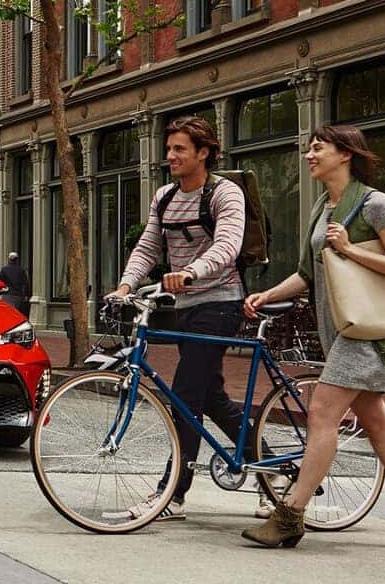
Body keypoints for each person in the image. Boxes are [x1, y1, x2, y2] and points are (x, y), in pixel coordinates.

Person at [241, 124, 385, 548]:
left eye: (318, 147)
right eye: (308, 148)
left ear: (345, 154)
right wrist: (266, 294)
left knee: (322, 411)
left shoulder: (375, 205)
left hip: (371, 334)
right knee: (377, 423)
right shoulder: (323, 208)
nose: (309, 154)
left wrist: (351, 250)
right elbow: (308, 274)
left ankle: (290, 514)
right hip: (343, 328)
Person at [106, 115, 247, 522]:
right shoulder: (165, 197)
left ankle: (172, 495)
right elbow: (149, 247)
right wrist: (126, 286)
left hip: (220, 303)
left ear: (204, 152)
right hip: (184, 307)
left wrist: (191, 272)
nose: (170, 155)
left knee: (185, 398)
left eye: (179, 149)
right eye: (169, 148)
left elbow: (228, 245)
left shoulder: (225, 193)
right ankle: (275, 470)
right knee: (211, 398)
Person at [0, 252, 31, 317]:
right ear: (17, 260)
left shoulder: (4, 269)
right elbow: (25, 283)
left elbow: (0, 283)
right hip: (18, 295)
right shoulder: (21, 270)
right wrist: (26, 295)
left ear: (9, 259)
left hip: (7, 295)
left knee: (7, 314)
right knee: (16, 314)